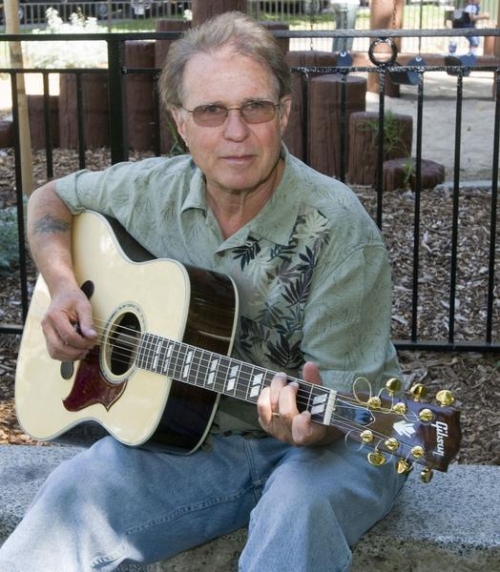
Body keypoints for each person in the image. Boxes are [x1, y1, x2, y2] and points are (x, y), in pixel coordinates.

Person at [0, 11, 406, 572]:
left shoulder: (339, 229)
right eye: (211, 111)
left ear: (284, 113)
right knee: (72, 495)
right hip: (197, 440)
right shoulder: (152, 190)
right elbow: (50, 199)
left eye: (255, 108)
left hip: (345, 435)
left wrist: (310, 428)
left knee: (297, 509)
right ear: (180, 122)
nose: (235, 133)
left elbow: (338, 409)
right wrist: (65, 286)